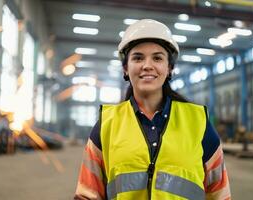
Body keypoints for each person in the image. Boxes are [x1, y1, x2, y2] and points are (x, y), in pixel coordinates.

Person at [74, 19, 231, 200]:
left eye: (157, 58)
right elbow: (86, 194)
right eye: (138, 57)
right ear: (125, 68)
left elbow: (220, 193)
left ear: (169, 68)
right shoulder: (106, 124)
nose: (147, 65)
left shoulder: (199, 123)